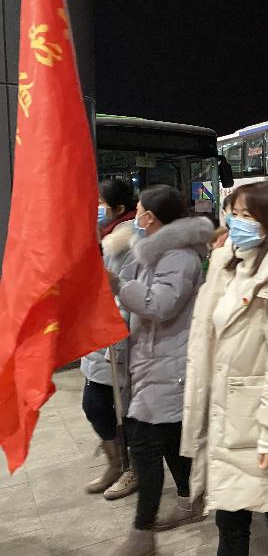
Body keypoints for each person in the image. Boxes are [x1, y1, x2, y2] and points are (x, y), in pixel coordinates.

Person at [181, 181, 268, 556]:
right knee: (230, 521)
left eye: (248, 215)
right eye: (234, 212)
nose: (236, 222)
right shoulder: (231, 262)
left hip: (258, 421)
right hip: (230, 417)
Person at [110, 186, 214, 556]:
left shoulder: (179, 257)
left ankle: (142, 533)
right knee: (171, 441)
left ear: (150, 216)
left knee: (144, 445)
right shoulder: (156, 252)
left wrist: (120, 287)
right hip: (155, 359)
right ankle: (189, 501)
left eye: (139, 209)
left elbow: (160, 304)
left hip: (169, 363)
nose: (136, 216)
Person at [82, 179, 139, 500]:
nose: (96, 209)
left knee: (120, 411)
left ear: (118, 209)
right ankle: (116, 463)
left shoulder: (127, 244)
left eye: (100, 203)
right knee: (96, 406)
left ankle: (131, 469)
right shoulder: (103, 238)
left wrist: (114, 343)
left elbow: (126, 296)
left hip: (114, 339)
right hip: (97, 334)